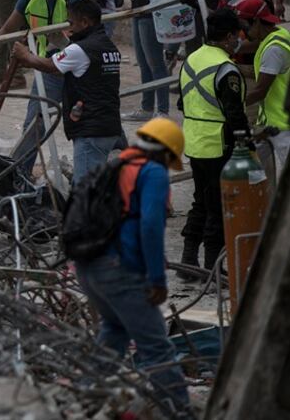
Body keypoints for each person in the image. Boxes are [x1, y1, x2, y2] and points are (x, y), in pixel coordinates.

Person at [72, 118, 192, 418]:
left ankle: (84, 398)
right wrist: (157, 278)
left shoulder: (115, 166)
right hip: (118, 270)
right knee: (157, 347)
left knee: (115, 329)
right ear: (166, 153)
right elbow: (150, 226)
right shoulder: (152, 172)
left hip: (88, 268)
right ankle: (180, 412)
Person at [11, 0, 123, 183]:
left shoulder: (81, 49)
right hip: (108, 126)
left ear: (85, 22)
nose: (69, 28)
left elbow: (50, 66)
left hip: (90, 129)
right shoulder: (108, 46)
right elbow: (77, 71)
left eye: (71, 23)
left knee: (84, 189)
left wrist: (25, 55)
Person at [0, 0, 87, 173]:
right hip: (48, 68)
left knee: (93, 120)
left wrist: (66, 44)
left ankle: (113, 169)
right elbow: (8, 27)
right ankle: (19, 174)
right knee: (35, 122)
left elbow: (90, 35)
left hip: (77, 68)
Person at [179, 7, 251, 271]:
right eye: (238, 35)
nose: (239, 40)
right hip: (219, 144)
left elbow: (182, 102)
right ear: (229, 36)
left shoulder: (192, 59)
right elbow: (235, 114)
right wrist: (247, 145)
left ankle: (188, 258)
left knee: (200, 201)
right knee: (218, 206)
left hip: (194, 141)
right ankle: (212, 266)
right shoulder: (226, 68)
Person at [239, 0, 290, 185]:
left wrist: (232, 104)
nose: (244, 33)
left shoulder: (273, 49)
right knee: (256, 172)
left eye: (246, 27)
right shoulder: (277, 35)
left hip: (283, 126)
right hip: (272, 122)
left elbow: (260, 90)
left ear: (258, 22)